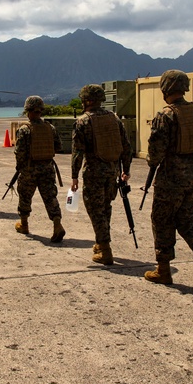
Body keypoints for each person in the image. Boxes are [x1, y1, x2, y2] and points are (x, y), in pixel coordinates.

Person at [143, 70, 193, 287]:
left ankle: (163, 270)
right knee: (187, 221)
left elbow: (156, 152)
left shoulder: (166, 115)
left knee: (162, 221)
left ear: (165, 88)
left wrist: (151, 162)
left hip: (171, 180)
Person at [71, 84, 132, 265]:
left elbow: (77, 153)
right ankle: (100, 242)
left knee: (95, 210)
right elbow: (126, 147)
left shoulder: (83, 121)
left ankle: (105, 250)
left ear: (86, 100)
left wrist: (74, 176)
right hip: (112, 173)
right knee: (105, 208)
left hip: (93, 174)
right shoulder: (114, 119)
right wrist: (125, 171)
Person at [13, 96, 66, 243]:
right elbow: (59, 147)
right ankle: (57, 224)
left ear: (28, 110)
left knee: (25, 196)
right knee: (50, 197)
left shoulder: (24, 129)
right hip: (48, 167)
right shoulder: (50, 127)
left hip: (30, 169)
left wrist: (20, 167)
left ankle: (24, 224)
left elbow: (20, 152)